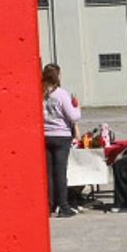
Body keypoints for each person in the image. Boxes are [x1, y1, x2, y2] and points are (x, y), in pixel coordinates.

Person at [41, 63, 81, 218]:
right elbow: (73, 116)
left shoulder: (41, 93)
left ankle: (49, 205)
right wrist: (77, 107)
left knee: (49, 173)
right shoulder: (61, 94)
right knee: (60, 172)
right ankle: (63, 206)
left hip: (46, 135)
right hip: (61, 135)